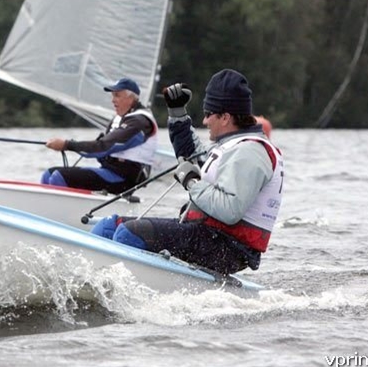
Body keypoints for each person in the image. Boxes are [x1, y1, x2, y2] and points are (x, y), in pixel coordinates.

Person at [92, 69, 285, 275]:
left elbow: (229, 210)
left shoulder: (250, 151)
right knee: (108, 226)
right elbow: (191, 156)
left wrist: (192, 182)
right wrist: (177, 113)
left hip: (229, 248)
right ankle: (91, 281)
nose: (205, 121)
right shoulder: (233, 145)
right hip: (208, 234)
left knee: (128, 234)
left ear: (225, 117)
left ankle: (121, 289)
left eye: (208, 114)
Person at [41, 77, 158, 194]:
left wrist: (66, 145)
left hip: (125, 180)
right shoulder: (120, 118)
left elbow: (103, 147)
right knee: (48, 174)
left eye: (117, 95)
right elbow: (103, 148)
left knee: (58, 177)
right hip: (110, 171)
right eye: (112, 95)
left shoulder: (139, 121)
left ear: (131, 98)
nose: (113, 100)